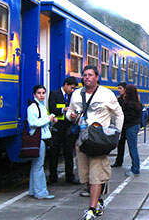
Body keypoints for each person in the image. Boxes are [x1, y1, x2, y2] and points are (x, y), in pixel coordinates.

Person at [66, 65, 124, 220]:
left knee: (96, 175)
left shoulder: (106, 94)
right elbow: (69, 112)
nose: (87, 78)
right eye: (85, 75)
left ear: (97, 77)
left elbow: (119, 114)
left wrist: (116, 134)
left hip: (99, 141)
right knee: (84, 176)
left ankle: (91, 209)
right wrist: (70, 116)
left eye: (90, 75)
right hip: (82, 140)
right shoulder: (76, 94)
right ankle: (98, 200)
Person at [47, 76, 79, 185]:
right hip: (57, 127)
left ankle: (69, 176)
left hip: (69, 128)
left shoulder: (72, 96)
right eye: (71, 87)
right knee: (54, 153)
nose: (72, 90)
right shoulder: (54, 94)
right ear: (66, 85)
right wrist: (63, 109)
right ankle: (52, 176)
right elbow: (52, 109)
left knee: (69, 153)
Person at [28, 85, 57, 200]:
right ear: (34, 94)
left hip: (41, 138)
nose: (41, 95)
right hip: (38, 139)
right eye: (39, 93)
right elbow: (32, 122)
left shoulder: (42, 107)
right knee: (39, 166)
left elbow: (43, 123)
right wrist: (48, 119)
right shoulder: (33, 107)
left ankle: (33, 190)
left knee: (36, 166)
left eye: (43, 93)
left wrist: (51, 121)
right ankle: (41, 193)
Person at [112, 84, 142, 177]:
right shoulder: (137, 103)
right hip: (135, 126)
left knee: (132, 148)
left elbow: (125, 117)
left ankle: (135, 169)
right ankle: (134, 167)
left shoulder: (128, 104)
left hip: (130, 127)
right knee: (133, 147)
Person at [111, 82, 127, 167]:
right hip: (121, 125)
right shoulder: (119, 99)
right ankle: (118, 161)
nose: (119, 90)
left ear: (125, 89)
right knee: (120, 144)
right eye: (118, 88)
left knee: (132, 146)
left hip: (128, 125)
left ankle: (135, 164)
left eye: (120, 88)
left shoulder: (130, 99)